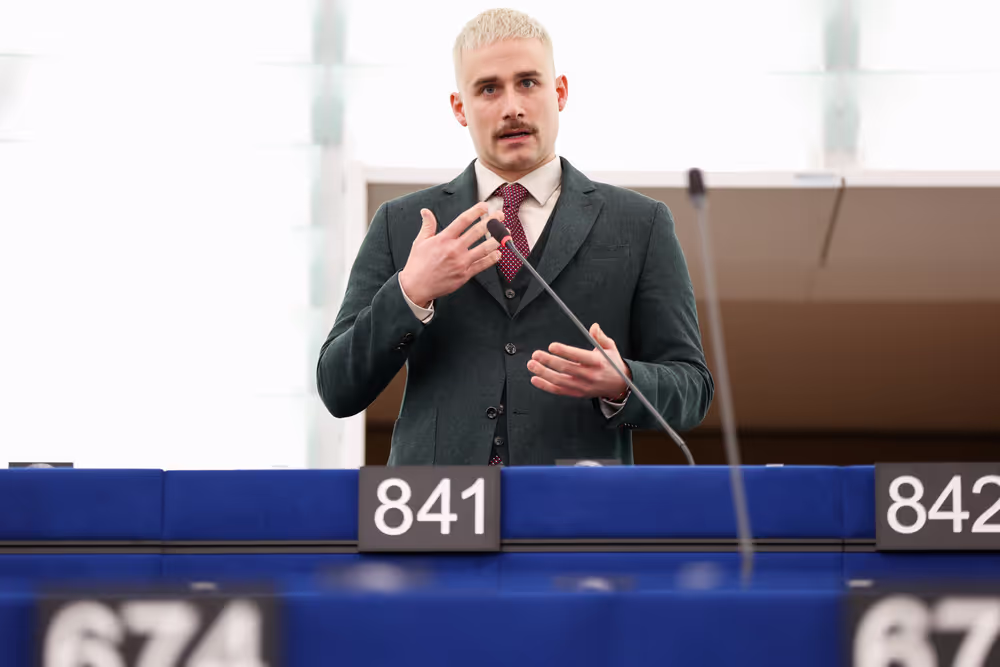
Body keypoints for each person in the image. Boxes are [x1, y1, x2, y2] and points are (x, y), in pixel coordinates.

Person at [316, 9, 713, 466]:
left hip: (573, 501)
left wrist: (623, 380)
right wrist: (410, 293)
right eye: (489, 89)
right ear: (459, 108)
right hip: (437, 504)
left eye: (527, 82)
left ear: (559, 92)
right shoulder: (401, 223)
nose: (512, 107)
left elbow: (693, 388)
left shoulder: (641, 223)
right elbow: (337, 388)